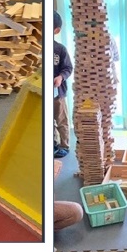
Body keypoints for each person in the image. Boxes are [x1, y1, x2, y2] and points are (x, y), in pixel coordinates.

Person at [54, 11, 73, 158]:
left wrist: (61, 77)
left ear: (56, 30)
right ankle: (54, 142)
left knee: (61, 120)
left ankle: (64, 145)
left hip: (57, 93)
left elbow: (68, 68)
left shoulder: (60, 49)